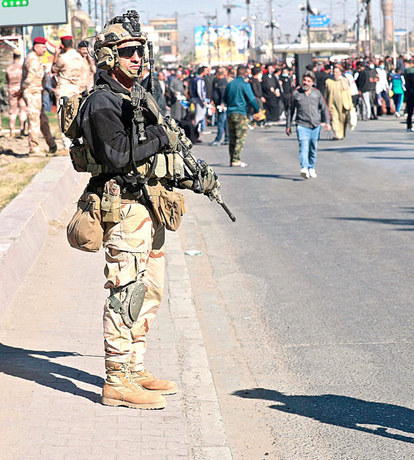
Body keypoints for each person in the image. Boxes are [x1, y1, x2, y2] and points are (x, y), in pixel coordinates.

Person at [74, 12, 218, 410]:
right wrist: (160, 134)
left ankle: (134, 368)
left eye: (141, 51)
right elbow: (117, 153)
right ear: (108, 57)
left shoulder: (134, 96)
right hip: (122, 208)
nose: (138, 58)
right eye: (129, 52)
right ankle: (116, 379)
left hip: (146, 207)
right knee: (127, 291)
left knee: (149, 290)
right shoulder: (102, 102)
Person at [286, 70, 330, 179]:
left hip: (315, 125)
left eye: (308, 81)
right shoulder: (296, 94)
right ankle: (304, 168)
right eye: (304, 80)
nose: (305, 83)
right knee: (303, 146)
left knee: (313, 147)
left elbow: (324, 108)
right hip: (302, 125)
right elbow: (290, 110)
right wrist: (288, 125)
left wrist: (327, 122)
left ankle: (311, 167)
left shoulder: (317, 93)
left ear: (312, 83)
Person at [20, 36, 57, 155]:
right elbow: (30, 77)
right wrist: (23, 89)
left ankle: (51, 144)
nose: (45, 50)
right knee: (34, 120)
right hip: (32, 92)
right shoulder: (33, 59)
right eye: (43, 47)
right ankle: (34, 149)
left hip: (37, 92)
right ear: (36, 47)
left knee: (43, 120)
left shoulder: (36, 58)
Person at [223, 66, 258, 167]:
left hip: (230, 112)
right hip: (241, 112)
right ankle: (236, 159)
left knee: (232, 136)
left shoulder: (230, 85)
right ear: (245, 74)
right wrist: (257, 110)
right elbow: (251, 99)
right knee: (240, 137)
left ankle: (232, 158)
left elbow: (225, 98)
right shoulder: (245, 85)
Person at [324, 65, 353, 140]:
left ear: (340, 73)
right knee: (334, 118)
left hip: (343, 104)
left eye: (337, 72)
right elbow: (326, 94)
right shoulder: (328, 82)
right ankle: (337, 134)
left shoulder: (344, 81)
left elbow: (348, 93)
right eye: (334, 72)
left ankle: (341, 133)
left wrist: (350, 104)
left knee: (343, 119)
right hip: (332, 104)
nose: (335, 74)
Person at [5, 50, 27, 138]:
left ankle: (12, 131)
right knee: (23, 110)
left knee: (12, 112)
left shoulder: (8, 69)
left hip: (12, 90)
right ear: (20, 57)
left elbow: (7, 81)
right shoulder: (22, 68)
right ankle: (22, 129)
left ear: (13, 56)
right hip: (21, 89)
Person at [210, 67, 229, 146]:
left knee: (220, 122)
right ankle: (227, 138)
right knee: (224, 123)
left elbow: (223, 94)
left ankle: (218, 139)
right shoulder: (219, 81)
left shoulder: (222, 82)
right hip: (220, 104)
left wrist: (222, 103)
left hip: (222, 106)